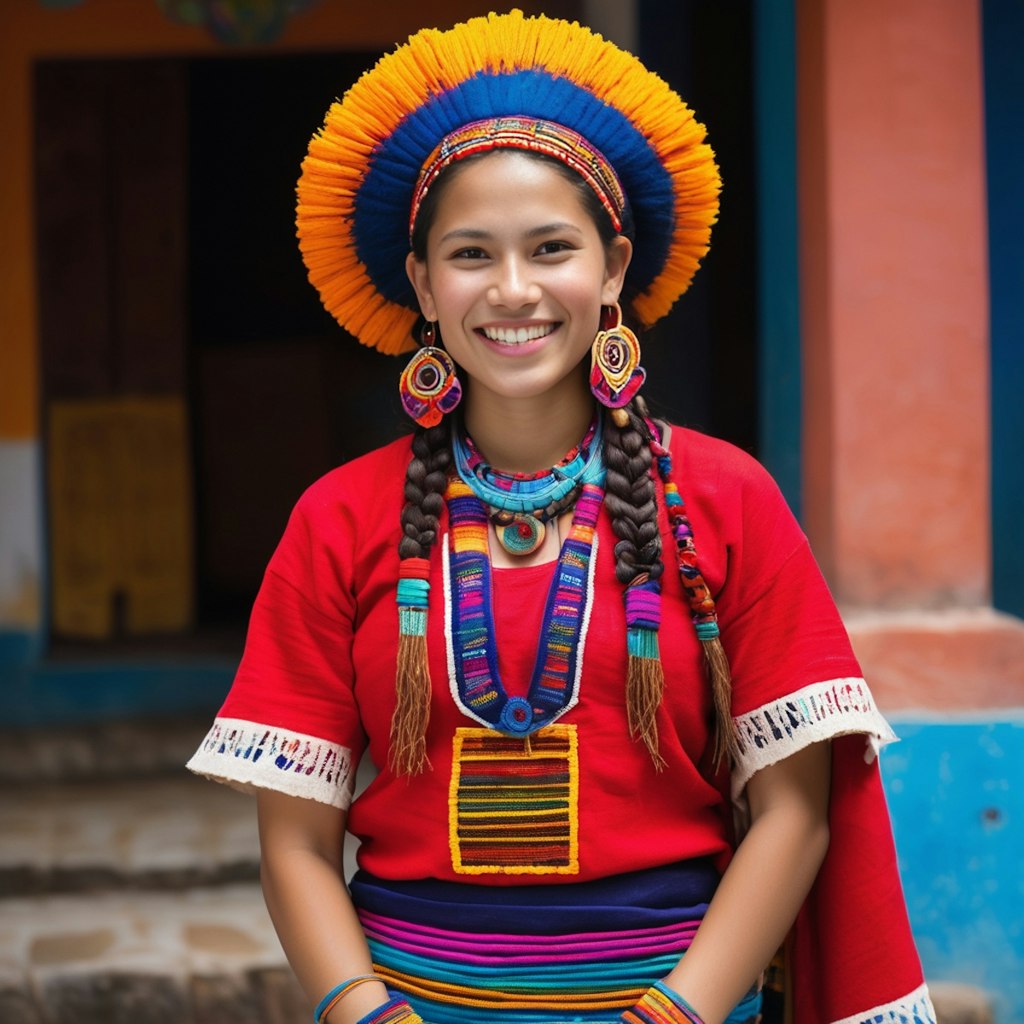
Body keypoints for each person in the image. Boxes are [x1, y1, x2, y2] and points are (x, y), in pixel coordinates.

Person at [188, 12, 936, 1024]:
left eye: (550, 248)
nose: (511, 290)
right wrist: (367, 1013)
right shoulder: (338, 520)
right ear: (420, 283)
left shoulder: (723, 501)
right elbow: (295, 840)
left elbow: (796, 814)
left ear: (614, 267)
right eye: (468, 254)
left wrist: (672, 1014)